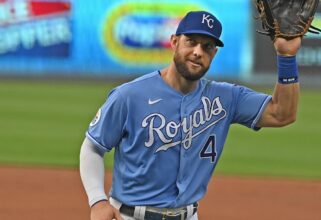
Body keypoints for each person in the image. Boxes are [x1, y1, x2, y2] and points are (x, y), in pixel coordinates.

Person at [80, 10, 301, 220]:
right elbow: (92, 146)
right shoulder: (129, 95)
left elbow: (282, 114)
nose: (198, 51)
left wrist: (287, 56)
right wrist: (97, 200)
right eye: (191, 42)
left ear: (214, 54)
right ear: (174, 42)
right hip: (129, 215)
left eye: (207, 46)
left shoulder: (225, 98)